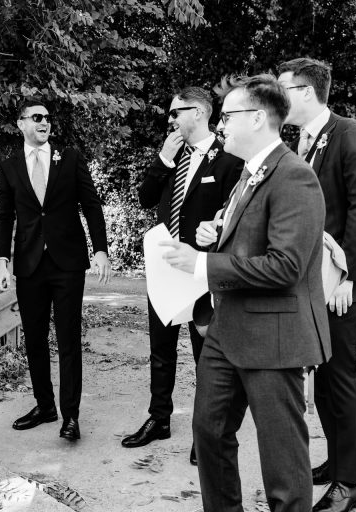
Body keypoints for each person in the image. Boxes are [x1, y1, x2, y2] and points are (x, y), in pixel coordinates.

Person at [162, 74, 330, 512]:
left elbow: (286, 266)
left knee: (282, 455)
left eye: (228, 116)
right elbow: (249, 236)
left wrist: (203, 264)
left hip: (274, 337)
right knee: (209, 431)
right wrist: (216, 231)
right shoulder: (247, 173)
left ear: (257, 118)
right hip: (227, 330)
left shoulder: (294, 176)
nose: (220, 126)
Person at [278, 57, 356, 512]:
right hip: (309, 281)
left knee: (340, 377)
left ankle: (349, 485)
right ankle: (337, 461)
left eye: (283, 89)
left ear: (306, 92)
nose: (276, 97)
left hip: (341, 283)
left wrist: (350, 279)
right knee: (320, 375)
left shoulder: (352, 134)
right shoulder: (301, 141)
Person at [125, 87, 242, 467]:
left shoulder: (228, 160)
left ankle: (205, 431)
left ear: (200, 112)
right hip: (164, 268)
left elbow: (235, 219)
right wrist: (163, 158)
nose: (170, 118)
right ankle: (159, 419)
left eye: (177, 112)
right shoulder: (170, 156)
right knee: (161, 350)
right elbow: (145, 198)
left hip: (201, 271)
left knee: (205, 355)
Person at [0, 99, 111, 441]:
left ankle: (70, 416)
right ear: (21, 124)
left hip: (68, 262)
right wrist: (2, 261)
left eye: (47, 117)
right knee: (34, 338)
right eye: (37, 117)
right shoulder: (9, 166)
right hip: (29, 263)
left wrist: (100, 250)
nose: (44, 122)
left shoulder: (69, 158)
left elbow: (91, 204)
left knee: (68, 337)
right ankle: (44, 405)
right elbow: (5, 216)